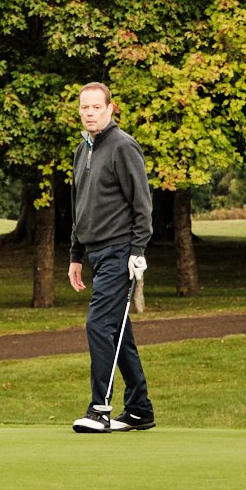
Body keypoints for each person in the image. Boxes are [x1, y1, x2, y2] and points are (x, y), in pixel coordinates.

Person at [67, 82, 156, 433]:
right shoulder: (81, 150)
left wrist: (137, 252)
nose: (89, 113)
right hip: (95, 252)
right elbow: (80, 208)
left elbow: (142, 205)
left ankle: (100, 409)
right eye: (84, 107)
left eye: (95, 107)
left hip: (120, 251)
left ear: (110, 108)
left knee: (98, 325)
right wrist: (76, 256)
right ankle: (139, 409)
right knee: (117, 330)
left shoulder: (123, 146)